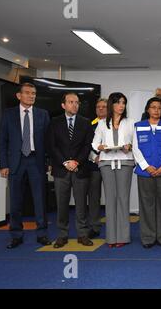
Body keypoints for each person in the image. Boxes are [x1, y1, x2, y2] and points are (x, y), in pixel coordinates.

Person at [0, 83, 51, 249]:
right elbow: (2, 141)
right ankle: (16, 236)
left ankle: (42, 234)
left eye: (34, 93)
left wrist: (48, 162)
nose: (31, 96)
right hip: (16, 162)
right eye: (28, 93)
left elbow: (49, 141)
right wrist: (4, 164)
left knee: (40, 200)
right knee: (15, 201)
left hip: (36, 161)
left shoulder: (43, 114)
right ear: (18, 96)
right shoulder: (8, 114)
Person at [47, 92, 94, 248]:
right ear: (63, 105)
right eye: (71, 102)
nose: (75, 105)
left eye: (77, 102)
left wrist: (76, 162)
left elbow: (87, 146)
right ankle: (62, 235)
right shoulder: (54, 122)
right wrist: (65, 162)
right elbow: (52, 146)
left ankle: (82, 234)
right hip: (61, 170)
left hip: (80, 169)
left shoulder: (86, 122)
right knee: (62, 204)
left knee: (81, 204)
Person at [133, 97, 161, 248]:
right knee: (146, 205)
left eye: (159, 108)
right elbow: (135, 149)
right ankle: (148, 237)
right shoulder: (138, 126)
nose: (156, 110)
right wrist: (146, 166)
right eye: (153, 107)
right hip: (145, 172)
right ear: (147, 109)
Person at [92, 93, 134, 248]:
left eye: (123, 102)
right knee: (110, 200)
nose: (121, 105)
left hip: (125, 161)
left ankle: (123, 236)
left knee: (123, 199)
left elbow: (135, 142)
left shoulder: (130, 122)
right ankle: (111, 237)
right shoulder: (102, 123)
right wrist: (100, 147)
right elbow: (95, 143)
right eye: (118, 102)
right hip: (106, 163)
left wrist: (130, 146)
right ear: (112, 105)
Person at [87, 98, 107, 239]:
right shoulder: (89, 124)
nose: (101, 109)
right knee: (94, 197)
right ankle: (94, 226)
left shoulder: (115, 124)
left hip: (111, 163)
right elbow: (85, 144)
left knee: (114, 196)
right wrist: (94, 157)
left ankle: (115, 225)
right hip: (94, 165)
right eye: (98, 106)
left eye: (104, 106)